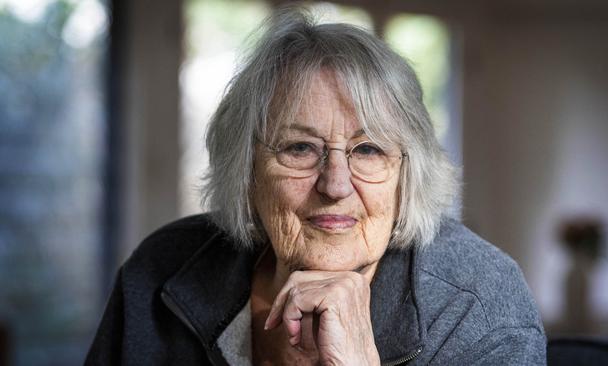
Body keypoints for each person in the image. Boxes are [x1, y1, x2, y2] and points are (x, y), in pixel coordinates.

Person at [86, 6, 546, 365]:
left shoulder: (477, 307)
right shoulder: (159, 270)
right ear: (245, 169)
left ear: (408, 174)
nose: (336, 184)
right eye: (300, 148)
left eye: (368, 150)